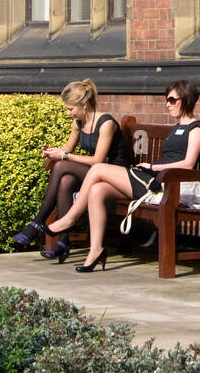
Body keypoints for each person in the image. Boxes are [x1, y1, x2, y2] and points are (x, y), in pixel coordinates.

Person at [17, 79, 200, 271]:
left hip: (164, 183)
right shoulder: (176, 129)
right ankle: (96, 251)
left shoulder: (196, 128)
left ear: (186, 99)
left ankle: (69, 219)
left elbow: (188, 164)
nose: (168, 104)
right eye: (167, 100)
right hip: (149, 177)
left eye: (172, 100)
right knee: (97, 190)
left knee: (97, 169)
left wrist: (152, 167)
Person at [12, 79, 129, 247]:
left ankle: (37, 222)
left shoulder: (106, 124)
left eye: (70, 109)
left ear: (85, 104)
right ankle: (63, 241)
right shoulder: (78, 122)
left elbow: (97, 160)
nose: (68, 113)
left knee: (61, 165)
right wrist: (53, 152)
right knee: (66, 180)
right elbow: (67, 148)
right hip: (94, 172)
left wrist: (64, 156)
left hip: (114, 175)